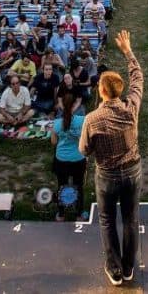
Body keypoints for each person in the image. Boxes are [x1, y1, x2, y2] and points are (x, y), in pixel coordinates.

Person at [78, 30, 143, 287]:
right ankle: (128, 268)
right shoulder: (131, 108)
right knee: (130, 219)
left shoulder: (92, 119)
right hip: (132, 171)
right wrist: (128, 51)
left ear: (102, 91)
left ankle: (114, 270)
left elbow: (84, 150)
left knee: (107, 221)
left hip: (106, 174)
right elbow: (138, 78)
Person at [50, 92, 88, 221]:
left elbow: (54, 142)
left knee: (62, 186)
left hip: (61, 160)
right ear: (74, 106)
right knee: (79, 186)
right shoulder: (82, 121)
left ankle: (61, 214)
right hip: (78, 159)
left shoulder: (56, 123)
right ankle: (79, 214)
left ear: (62, 106)